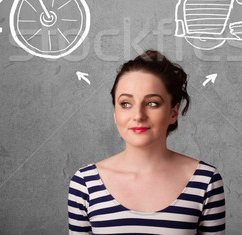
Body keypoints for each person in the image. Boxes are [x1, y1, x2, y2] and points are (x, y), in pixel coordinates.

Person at [68, 50, 225, 234]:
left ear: (173, 112)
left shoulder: (206, 181)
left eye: (152, 103)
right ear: (115, 113)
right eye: (126, 103)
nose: (138, 116)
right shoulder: (85, 183)